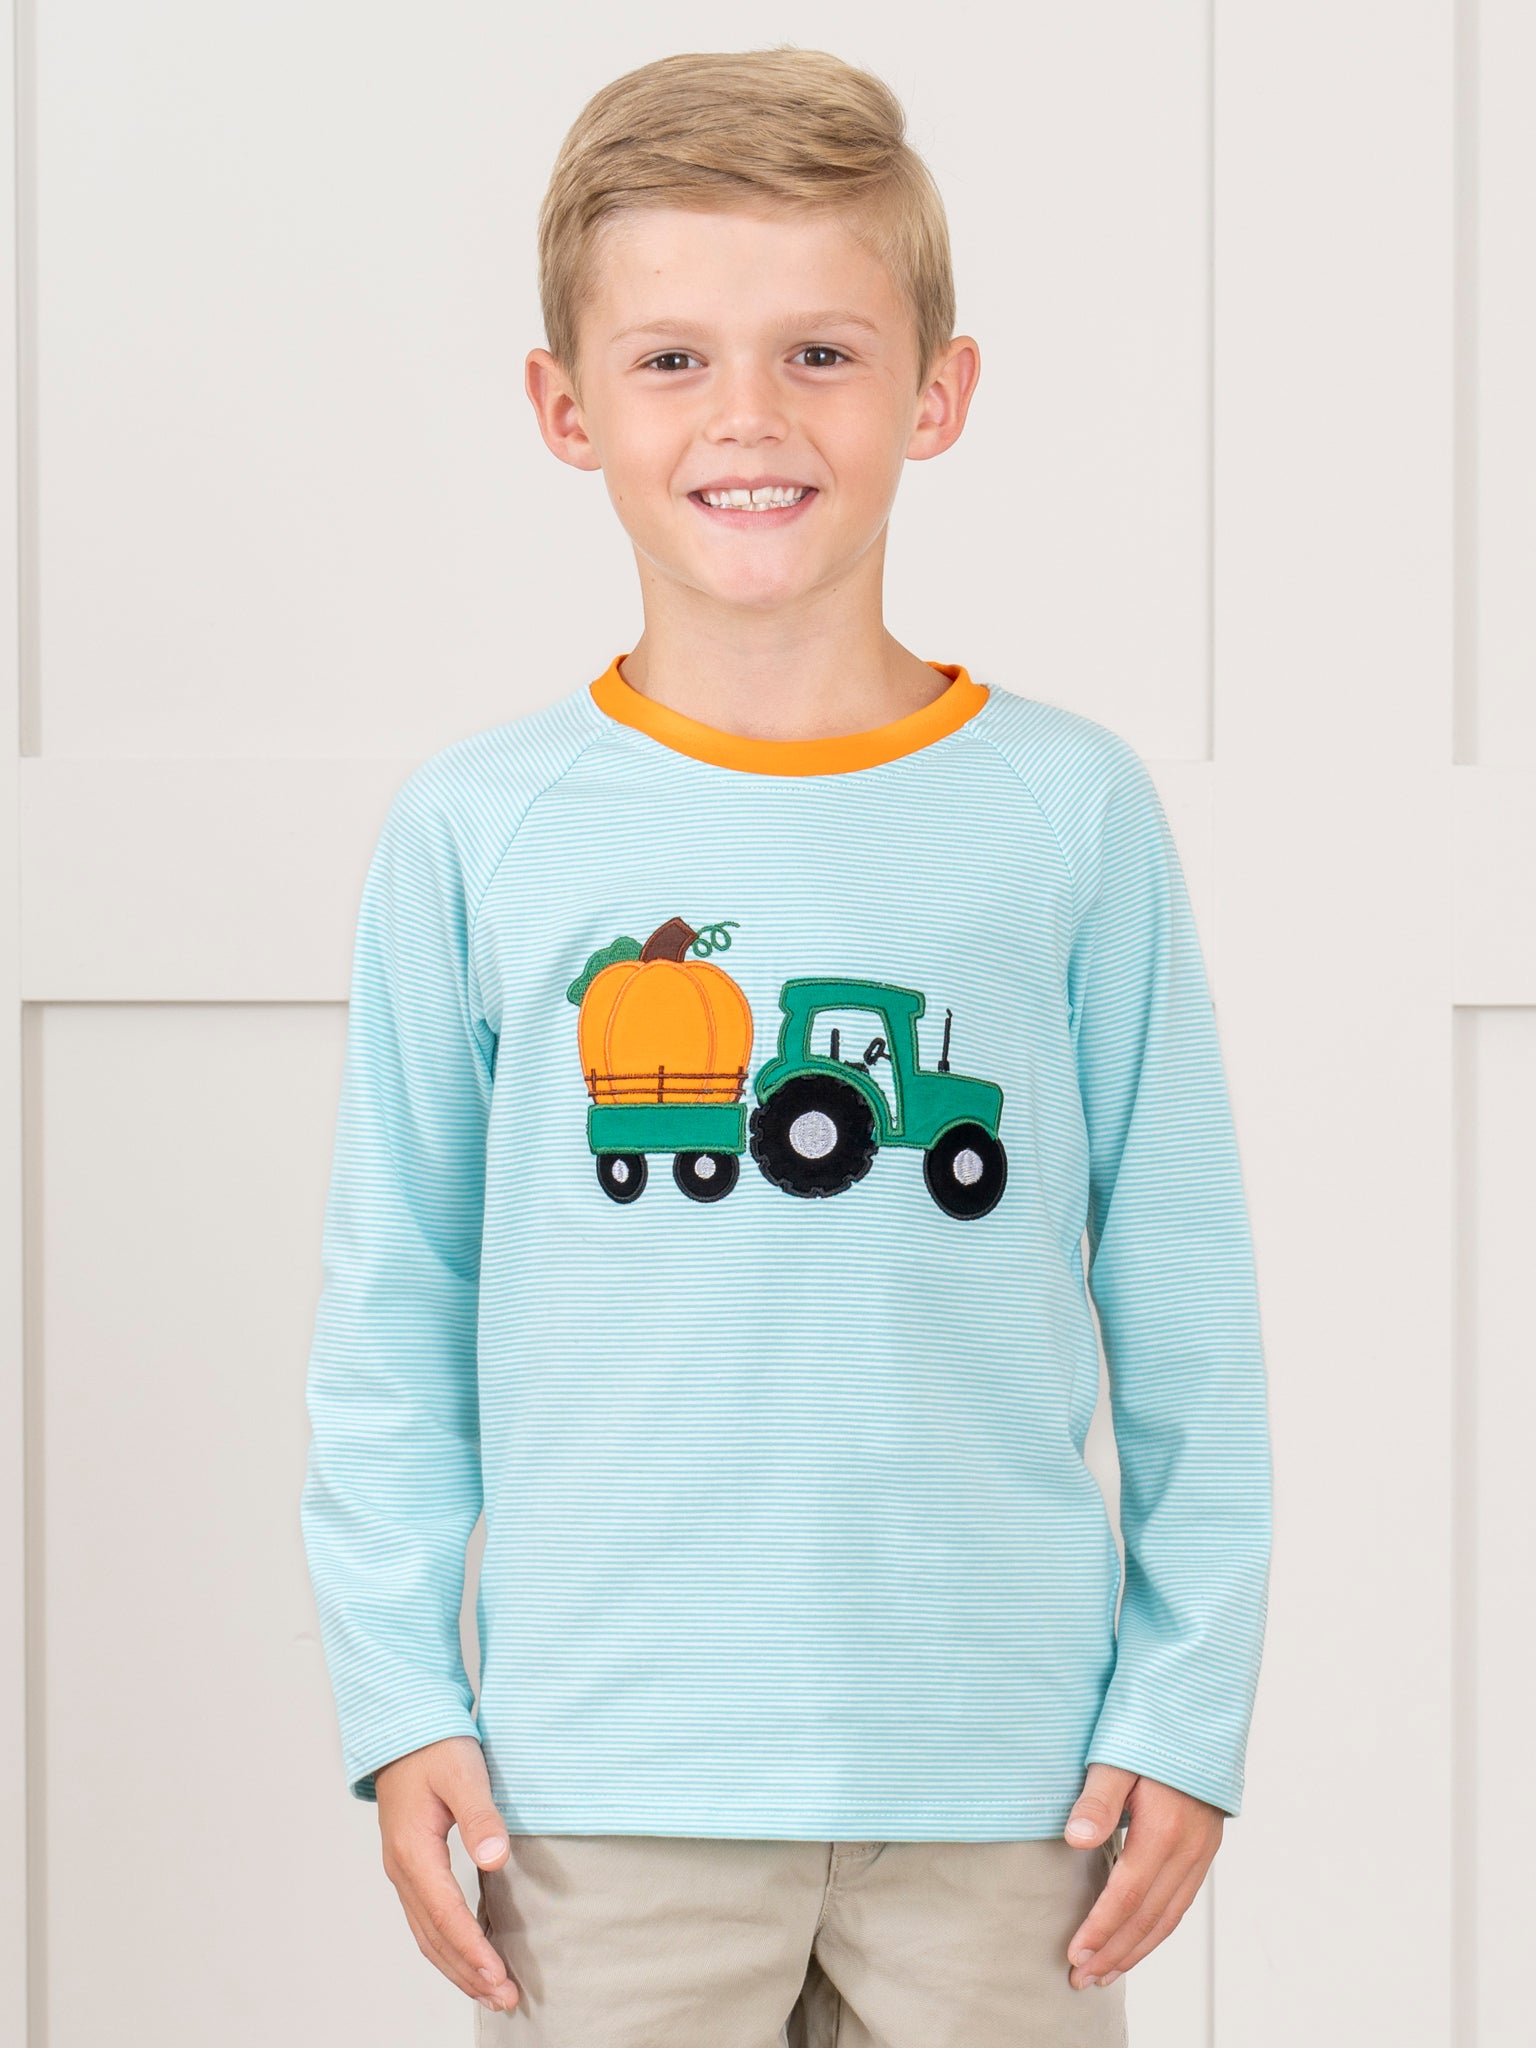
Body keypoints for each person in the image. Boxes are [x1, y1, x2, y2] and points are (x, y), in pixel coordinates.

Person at [300, 44, 1273, 2047]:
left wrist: (1185, 1703)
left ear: (939, 392)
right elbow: (395, 1307)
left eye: (821, 353)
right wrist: (403, 1694)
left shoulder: (1067, 812)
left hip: (1009, 1782)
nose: (749, 415)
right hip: (598, 1786)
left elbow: (1185, 1304)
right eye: (673, 360)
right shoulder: (482, 830)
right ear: (566, 407)